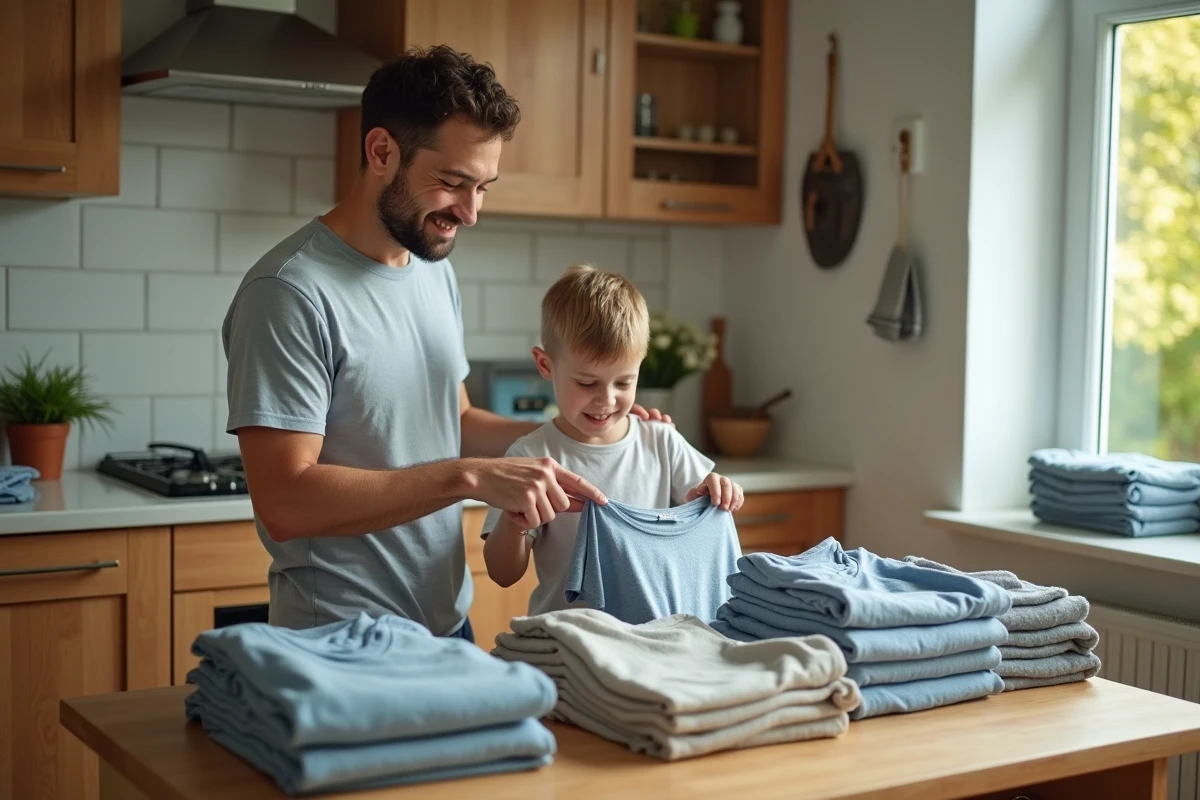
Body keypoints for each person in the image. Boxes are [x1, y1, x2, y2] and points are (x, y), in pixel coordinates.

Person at [221, 46, 668, 640]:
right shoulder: (289, 293)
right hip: (338, 637)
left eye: (483, 186)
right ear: (382, 152)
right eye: (453, 183)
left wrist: (593, 432)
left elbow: (453, 420)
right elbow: (285, 500)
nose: (472, 211)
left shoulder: (432, 269)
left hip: (446, 623)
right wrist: (468, 477)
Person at [482, 265, 745, 617]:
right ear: (546, 365)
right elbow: (502, 574)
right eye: (587, 383)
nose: (606, 399)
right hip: (567, 643)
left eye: (623, 382)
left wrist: (721, 490)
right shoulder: (531, 455)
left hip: (650, 642)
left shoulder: (662, 441)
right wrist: (513, 524)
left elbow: (704, 510)